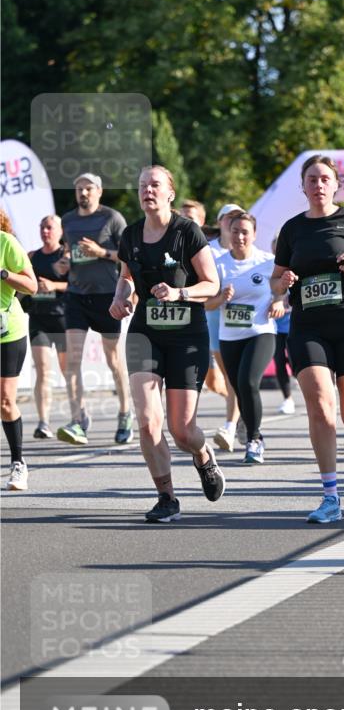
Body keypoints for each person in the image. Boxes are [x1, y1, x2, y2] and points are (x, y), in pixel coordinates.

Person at [270, 154, 344, 523]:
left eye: (325, 178)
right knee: (322, 408)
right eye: (312, 179)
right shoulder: (292, 229)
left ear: (336, 185)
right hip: (309, 326)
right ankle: (330, 497)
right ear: (303, 186)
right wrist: (283, 283)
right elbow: (276, 281)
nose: (318, 184)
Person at [110, 165, 225, 522]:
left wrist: (179, 293)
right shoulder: (130, 234)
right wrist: (120, 298)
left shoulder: (186, 232)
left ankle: (203, 456)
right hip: (146, 333)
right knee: (147, 421)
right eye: (143, 185)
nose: (148, 190)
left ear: (170, 193)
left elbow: (212, 284)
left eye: (155, 185)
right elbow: (127, 277)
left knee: (182, 430)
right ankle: (167, 497)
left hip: (187, 336)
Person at [58, 173, 133, 445]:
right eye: (79, 189)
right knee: (72, 361)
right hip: (76, 295)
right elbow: (68, 250)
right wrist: (65, 261)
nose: (83, 193)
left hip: (106, 297)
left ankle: (125, 414)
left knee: (114, 360)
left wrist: (101, 253)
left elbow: (128, 256)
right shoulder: (68, 220)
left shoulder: (112, 218)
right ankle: (79, 420)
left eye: (88, 188)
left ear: (99, 191)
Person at [208, 212, 284, 464]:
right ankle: (249, 422)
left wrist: (278, 302)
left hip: (260, 332)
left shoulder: (267, 262)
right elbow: (207, 304)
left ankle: (254, 439)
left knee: (248, 382)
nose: (239, 237)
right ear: (228, 233)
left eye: (245, 232)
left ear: (254, 235)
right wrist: (221, 298)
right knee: (239, 388)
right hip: (229, 336)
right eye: (235, 231)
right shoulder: (218, 264)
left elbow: (282, 290)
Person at [1, 211, 38, 490]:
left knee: (5, 401)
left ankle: (18, 463)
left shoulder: (6, 242)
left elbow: (31, 285)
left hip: (7, 333)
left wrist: (3, 273)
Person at [180, 198, 227, 399]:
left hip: (212, 320)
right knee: (212, 382)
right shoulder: (172, 245)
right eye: (181, 217)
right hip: (184, 320)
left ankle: (239, 406)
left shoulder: (210, 251)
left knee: (222, 377)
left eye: (190, 218)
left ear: (201, 221)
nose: (184, 221)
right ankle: (237, 401)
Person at [27, 215, 69, 438]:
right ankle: (43, 422)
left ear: (60, 231)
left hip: (63, 319)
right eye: (42, 227)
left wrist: (54, 285)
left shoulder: (66, 256)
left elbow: (78, 284)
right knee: (43, 370)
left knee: (68, 371)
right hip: (39, 319)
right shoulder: (32, 256)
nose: (45, 231)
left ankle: (78, 416)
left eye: (49, 227)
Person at [209, 203, 245, 451]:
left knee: (235, 377)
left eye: (237, 217)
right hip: (213, 319)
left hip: (243, 324)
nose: (232, 221)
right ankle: (242, 412)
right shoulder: (208, 250)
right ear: (220, 221)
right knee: (218, 380)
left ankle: (230, 426)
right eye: (228, 217)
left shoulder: (248, 247)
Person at [271, 234, 295, 415]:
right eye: (275, 245)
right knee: (279, 362)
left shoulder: (296, 265)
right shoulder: (266, 266)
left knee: (296, 363)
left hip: (295, 325)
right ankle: (288, 398)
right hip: (274, 326)